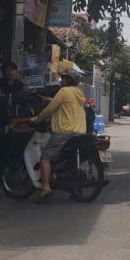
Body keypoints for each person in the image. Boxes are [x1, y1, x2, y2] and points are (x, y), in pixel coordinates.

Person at [30, 66, 86, 200]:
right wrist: (51, 100)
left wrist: (37, 119)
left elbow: (49, 110)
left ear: (68, 80)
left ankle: (46, 188)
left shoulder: (64, 91)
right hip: (79, 132)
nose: (61, 80)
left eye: (63, 78)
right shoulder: (78, 93)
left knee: (45, 157)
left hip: (64, 132)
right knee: (64, 158)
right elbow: (66, 104)